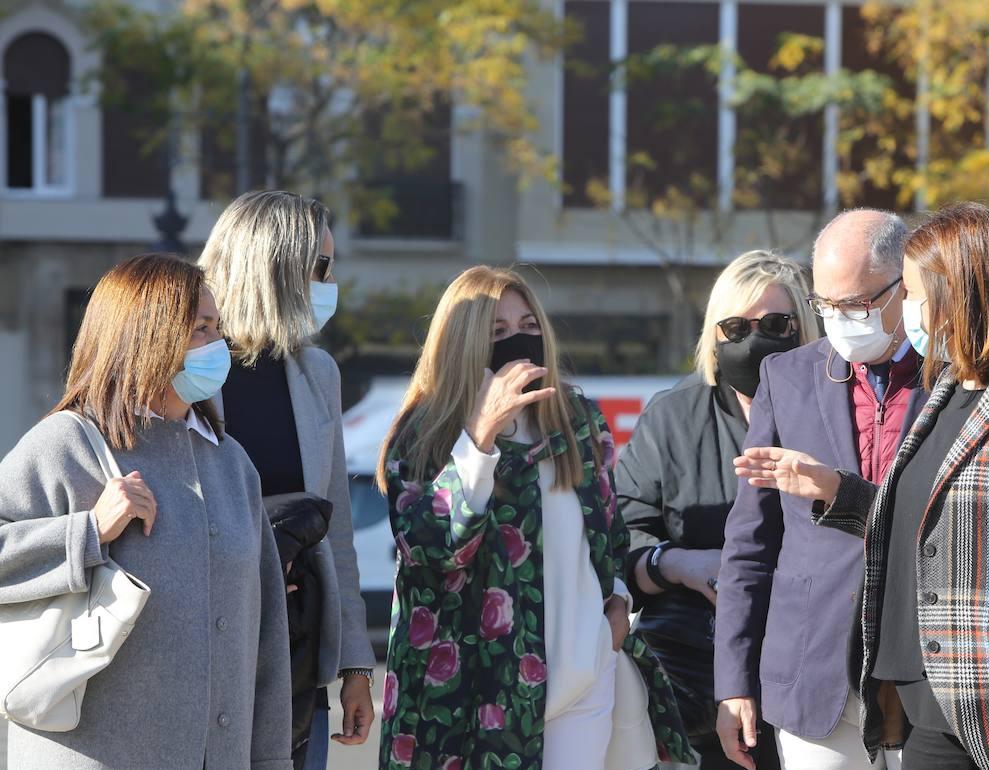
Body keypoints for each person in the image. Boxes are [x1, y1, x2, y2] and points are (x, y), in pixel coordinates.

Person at [736, 202, 989, 770]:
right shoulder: (944, 391)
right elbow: (922, 531)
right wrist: (834, 490)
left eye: (913, 295)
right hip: (927, 705)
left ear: (961, 295)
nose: (907, 313)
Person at [376, 266, 694, 770]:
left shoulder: (577, 419)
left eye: (528, 325)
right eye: (497, 332)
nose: (519, 341)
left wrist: (613, 610)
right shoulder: (426, 432)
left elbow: (609, 535)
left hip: (582, 676)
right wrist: (479, 437)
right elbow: (430, 550)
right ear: (462, 344)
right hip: (471, 694)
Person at [0, 254, 292, 769]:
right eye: (201, 329)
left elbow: (265, 633)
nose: (218, 346)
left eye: (218, 328)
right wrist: (87, 532)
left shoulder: (232, 463)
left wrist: (270, 760)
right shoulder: (66, 444)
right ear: (147, 333)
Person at [715, 210, 926, 770]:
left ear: (905, 286)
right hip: (813, 671)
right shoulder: (787, 377)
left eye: (855, 304)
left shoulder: (954, 375)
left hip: (927, 677)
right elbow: (750, 545)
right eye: (825, 305)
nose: (839, 319)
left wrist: (839, 490)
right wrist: (733, 682)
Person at [616, 250, 819, 770]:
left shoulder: (837, 410)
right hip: (692, 683)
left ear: (806, 325)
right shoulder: (672, 418)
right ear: (713, 335)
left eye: (775, 324)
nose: (754, 340)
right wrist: (680, 565)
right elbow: (618, 539)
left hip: (811, 671)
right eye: (735, 327)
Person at [200, 190, 376, 770]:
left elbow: (337, 532)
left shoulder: (315, 371)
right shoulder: (187, 366)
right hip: (204, 648)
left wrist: (354, 666)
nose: (330, 282)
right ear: (274, 267)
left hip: (294, 654)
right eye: (321, 267)